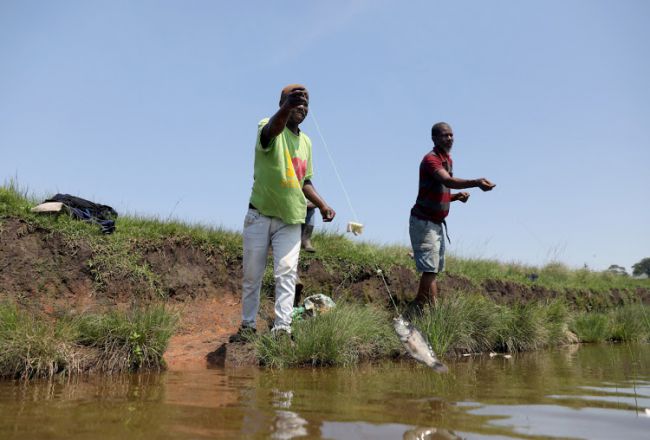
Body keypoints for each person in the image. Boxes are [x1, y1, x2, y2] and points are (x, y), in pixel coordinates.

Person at [230, 84, 335, 343]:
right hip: (260, 214)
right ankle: (247, 326)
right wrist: (287, 108)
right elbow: (270, 133)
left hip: (290, 217)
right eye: (294, 101)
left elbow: (305, 180)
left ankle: (282, 328)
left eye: (305, 103)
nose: (301, 106)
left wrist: (322, 205)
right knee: (252, 274)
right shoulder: (268, 124)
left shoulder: (307, 142)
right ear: (281, 103)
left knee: (286, 272)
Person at [409, 122, 495, 310]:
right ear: (434, 139)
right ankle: (432, 310)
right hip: (424, 222)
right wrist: (476, 182)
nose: (449, 139)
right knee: (430, 270)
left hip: (436, 222)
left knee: (434, 269)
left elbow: (442, 189)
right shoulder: (431, 160)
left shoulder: (447, 160)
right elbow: (447, 181)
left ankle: (418, 306)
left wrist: (455, 197)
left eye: (451, 135)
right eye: (444, 136)